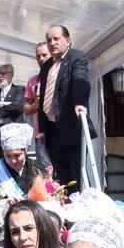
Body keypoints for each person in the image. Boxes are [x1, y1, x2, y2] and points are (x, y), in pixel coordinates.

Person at [38, 24, 94, 188]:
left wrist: (80, 102)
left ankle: (83, 210)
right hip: (53, 130)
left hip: (72, 127)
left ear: (68, 41)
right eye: (49, 40)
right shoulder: (47, 66)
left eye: (56, 39)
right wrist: (42, 128)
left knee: (78, 176)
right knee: (62, 179)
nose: (52, 43)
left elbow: (80, 80)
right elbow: (43, 98)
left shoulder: (77, 58)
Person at [21, 42, 52, 169]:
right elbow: (26, 109)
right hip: (41, 135)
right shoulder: (33, 81)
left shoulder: (61, 76)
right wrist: (37, 104)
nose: (41, 59)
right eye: (38, 56)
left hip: (60, 132)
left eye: (44, 55)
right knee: (45, 174)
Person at [0, 64, 27, 159]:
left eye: (3, 73)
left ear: (11, 74)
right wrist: (1, 104)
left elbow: (16, 106)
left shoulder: (19, 89)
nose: (0, 76)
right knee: (0, 166)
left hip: (13, 137)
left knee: (14, 165)